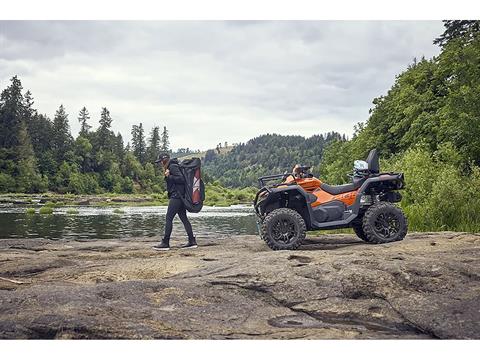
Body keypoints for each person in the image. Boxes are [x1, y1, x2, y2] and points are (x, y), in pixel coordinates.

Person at [152, 153, 197, 251]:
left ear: (165, 160)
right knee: (184, 218)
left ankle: (165, 243)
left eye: (160, 162)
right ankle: (192, 241)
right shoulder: (172, 166)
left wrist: (169, 176)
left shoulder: (172, 166)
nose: (160, 164)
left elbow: (181, 179)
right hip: (180, 197)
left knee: (168, 218)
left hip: (176, 196)